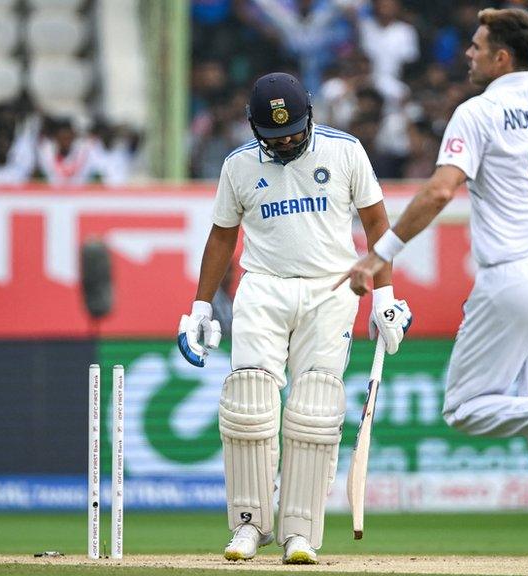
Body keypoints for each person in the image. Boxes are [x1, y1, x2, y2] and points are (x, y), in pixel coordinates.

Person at [339, 3, 528, 575]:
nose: (469, 54)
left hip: (512, 279)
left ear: (502, 57)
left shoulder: (476, 114)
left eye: (477, 46)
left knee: (466, 408)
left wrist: (379, 255)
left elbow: (438, 191)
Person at [176, 72, 412, 565]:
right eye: (273, 136)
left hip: (332, 288)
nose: (285, 142)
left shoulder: (345, 151)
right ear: (252, 127)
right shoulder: (239, 165)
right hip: (262, 286)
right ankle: (248, 526)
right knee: (248, 403)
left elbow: (376, 226)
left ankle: (299, 531)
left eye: (293, 132)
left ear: (310, 114)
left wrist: (386, 296)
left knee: (315, 409)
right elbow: (222, 236)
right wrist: (200, 306)